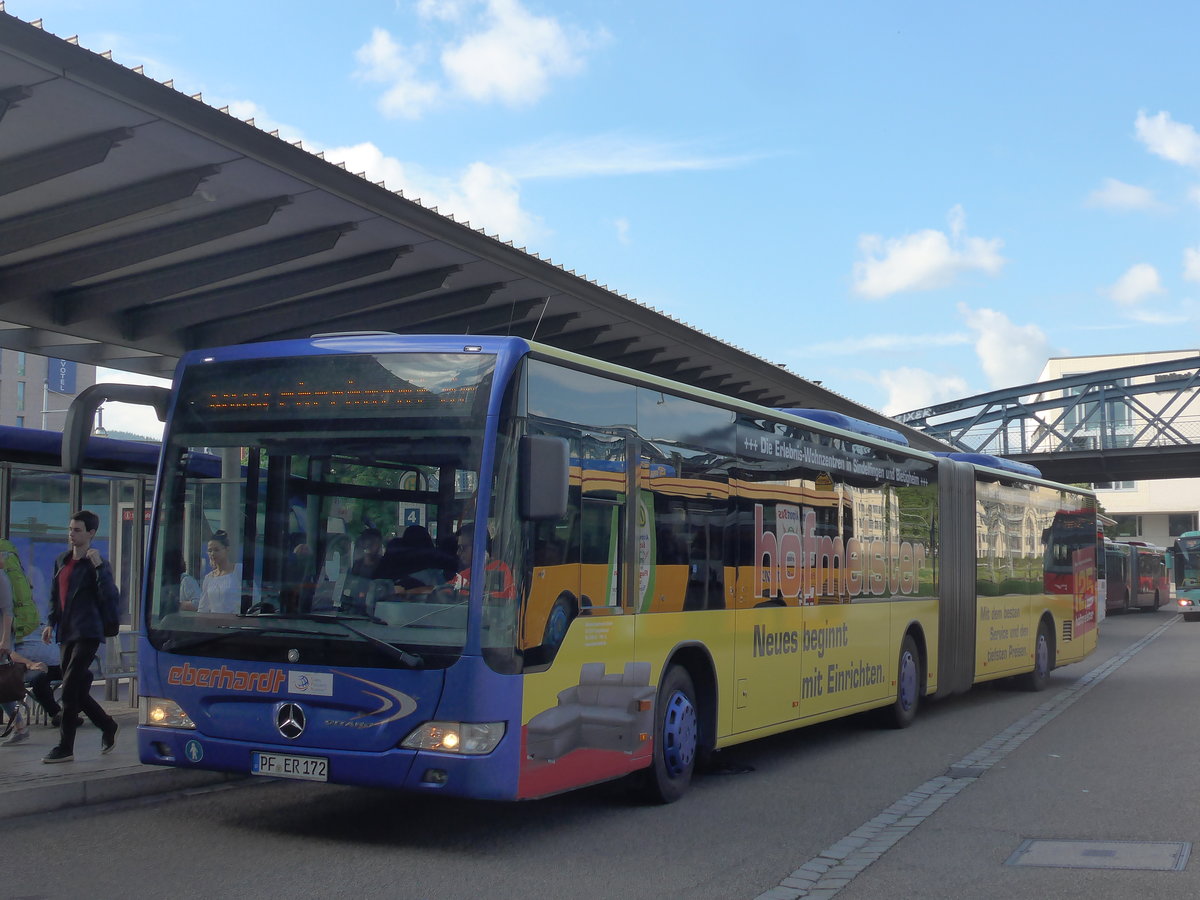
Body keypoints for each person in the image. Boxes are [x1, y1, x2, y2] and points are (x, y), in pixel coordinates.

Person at [41, 510, 121, 764]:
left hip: (88, 632)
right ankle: (107, 725)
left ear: (91, 533)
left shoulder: (97, 564)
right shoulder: (62, 560)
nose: (71, 534)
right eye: (70, 529)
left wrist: (99, 567)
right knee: (76, 689)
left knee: (69, 688)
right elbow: (56, 595)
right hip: (66, 631)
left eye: (77, 530)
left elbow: (110, 596)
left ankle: (65, 747)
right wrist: (50, 623)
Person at [194, 530, 243, 614]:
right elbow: (203, 608)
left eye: (216, 550)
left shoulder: (239, 570)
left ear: (226, 549)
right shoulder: (208, 578)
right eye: (210, 551)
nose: (212, 554)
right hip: (214, 621)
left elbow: (254, 599)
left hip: (235, 620)